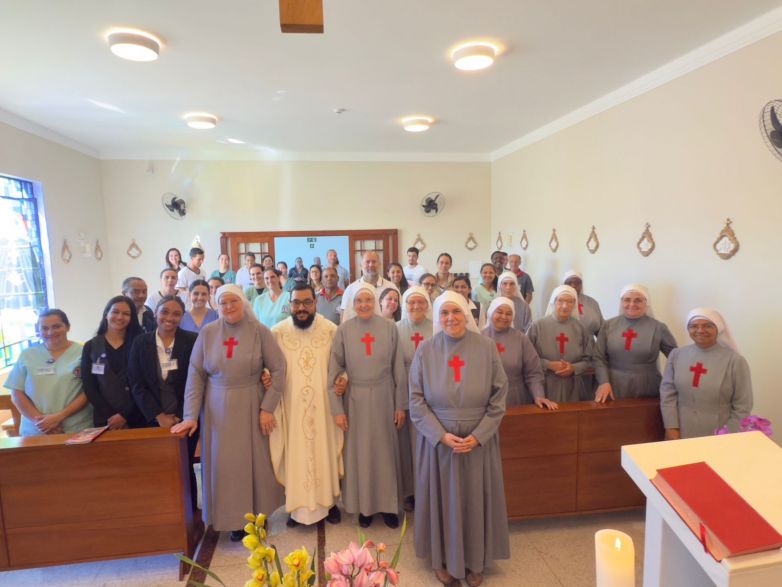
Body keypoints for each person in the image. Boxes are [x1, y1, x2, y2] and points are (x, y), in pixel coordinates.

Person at [409, 292, 509, 587]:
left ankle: (475, 561)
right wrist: (440, 436)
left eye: (456, 311)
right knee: (442, 501)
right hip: (439, 441)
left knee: (473, 500)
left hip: (478, 441)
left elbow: (499, 397)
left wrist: (479, 436)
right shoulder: (425, 350)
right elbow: (416, 401)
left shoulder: (486, 347)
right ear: (437, 318)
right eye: (444, 313)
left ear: (467, 315)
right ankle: (442, 560)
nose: (450, 318)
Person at [171, 285, 286, 540]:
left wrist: (268, 407)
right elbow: (195, 375)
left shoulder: (259, 332)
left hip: (251, 404)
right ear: (217, 306)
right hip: (216, 410)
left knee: (255, 464)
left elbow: (279, 370)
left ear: (243, 302)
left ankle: (258, 515)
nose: (228, 307)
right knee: (225, 466)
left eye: (233, 301)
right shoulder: (208, 333)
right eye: (223, 303)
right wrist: (190, 415)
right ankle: (232, 519)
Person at [328, 284, 406, 529]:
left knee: (385, 453)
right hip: (355, 399)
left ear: (374, 302)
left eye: (368, 300)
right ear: (353, 303)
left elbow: (398, 370)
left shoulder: (389, 328)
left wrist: (400, 405)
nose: (363, 304)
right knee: (361, 454)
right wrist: (337, 410)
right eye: (359, 301)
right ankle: (365, 507)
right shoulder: (343, 330)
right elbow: (334, 371)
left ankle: (389, 506)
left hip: (385, 396)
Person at [268, 283, 343, 526]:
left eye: (306, 303)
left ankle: (328, 504)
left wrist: (343, 380)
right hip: (291, 406)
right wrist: (264, 374)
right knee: (296, 455)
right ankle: (297, 507)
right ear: (289, 305)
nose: (301, 308)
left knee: (325, 451)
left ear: (315, 302)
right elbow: (268, 365)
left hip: (323, 407)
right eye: (296, 303)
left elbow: (342, 365)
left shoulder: (331, 330)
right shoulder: (277, 333)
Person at [660, 308, 752, 440]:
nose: (700, 330)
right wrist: (671, 427)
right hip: (681, 430)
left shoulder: (735, 361)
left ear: (718, 329)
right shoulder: (676, 355)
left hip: (719, 433)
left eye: (707, 326)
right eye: (694, 326)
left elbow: (743, 405)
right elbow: (667, 394)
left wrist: (728, 435)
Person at [5, 309, 93, 436]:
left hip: (75, 427)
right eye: (44, 328)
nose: (50, 332)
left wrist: (58, 418)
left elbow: (90, 391)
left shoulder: (84, 352)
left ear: (67, 327)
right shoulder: (27, 355)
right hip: (36, 430)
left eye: (56, 326)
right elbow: (16, 393)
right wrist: (42, 423)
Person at [594, 284, 677, 402]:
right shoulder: (608, 326)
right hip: (613, 384)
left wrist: (671, 383)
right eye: (627, 300)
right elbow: (598, 357)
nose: (632, 304)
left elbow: (675, 357)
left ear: (646, 303)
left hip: (648, 386)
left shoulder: (658, 327)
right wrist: (604, 382)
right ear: (621, 302)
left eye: (638, 300)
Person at [395, 286, 433, 512]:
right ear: (405, 305)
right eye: (411, 303)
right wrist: (399, 403)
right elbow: (394, 368)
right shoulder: (396, 328)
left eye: (421, 302)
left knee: (429, 443)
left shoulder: (437, 326)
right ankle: (411, 491)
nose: (416, 307)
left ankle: (430, 489)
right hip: (406, 390)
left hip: (432, 393)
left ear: (428, 305)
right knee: (408, 446)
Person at [81, 296, 145, 428]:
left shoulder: (140, 344)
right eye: (115, 312)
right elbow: (90, 386)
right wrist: (111, 415)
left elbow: (145, 383)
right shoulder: (91, 346)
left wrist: (124, 415)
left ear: (132, 318)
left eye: (126, 314)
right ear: (106, 314)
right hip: (105, 419)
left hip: (137, 416)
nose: (120, 317)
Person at [483, 297, 553, 409]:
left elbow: (533, 373)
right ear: (491, 313)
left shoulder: (521, 339)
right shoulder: (478, 338)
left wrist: (538, 395)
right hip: (485, 398)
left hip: (516, 397)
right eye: (499, 312)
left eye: (509, 313)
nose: (504, 317)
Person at [527, 286, 593, 403]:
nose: (565, 306)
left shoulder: (581, 328)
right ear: (553, 302)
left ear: (574, 304)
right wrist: (548, 365)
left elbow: (589, 359)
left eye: (570, 302)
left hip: (573, 387)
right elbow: (527, 359)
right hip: (545, 384)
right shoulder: (537, 326)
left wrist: (573, 368)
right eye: (561, 301)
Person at [339, 251, 397, 322]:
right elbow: (344, 316)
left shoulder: (391, 287)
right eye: (367, 262)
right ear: (361, 265)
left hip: (386, 331)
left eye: (374, 262)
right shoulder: (351, 289)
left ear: (379, 264)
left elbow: (399, 313)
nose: (371, 265)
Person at [562, 271, 603, 338]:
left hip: (589, 346)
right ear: (563, 285)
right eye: (569, 283)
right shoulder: (558, 303)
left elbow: (601, 330)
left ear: (581, 285)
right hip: (566, 342)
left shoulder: (592, 303)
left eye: (577, 283)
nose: (573, 286)